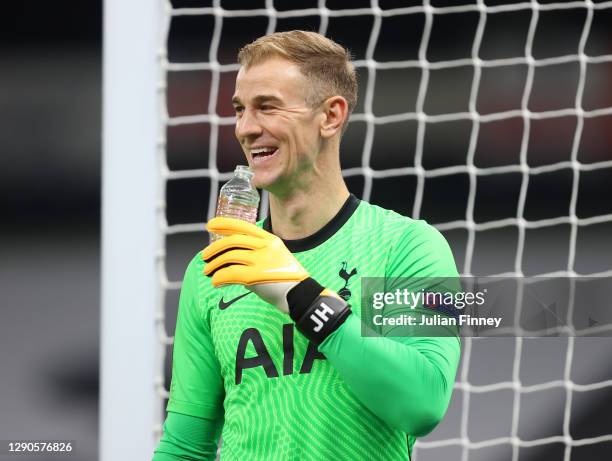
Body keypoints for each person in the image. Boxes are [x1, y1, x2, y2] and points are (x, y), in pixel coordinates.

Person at [153, 30, 460, 461]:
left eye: (267, 107)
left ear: (331, 116)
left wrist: (301, 296)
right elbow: (185, 446)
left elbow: (424, 404)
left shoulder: (411, 246)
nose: (245, 128)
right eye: (240, 110)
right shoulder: (211, 270)